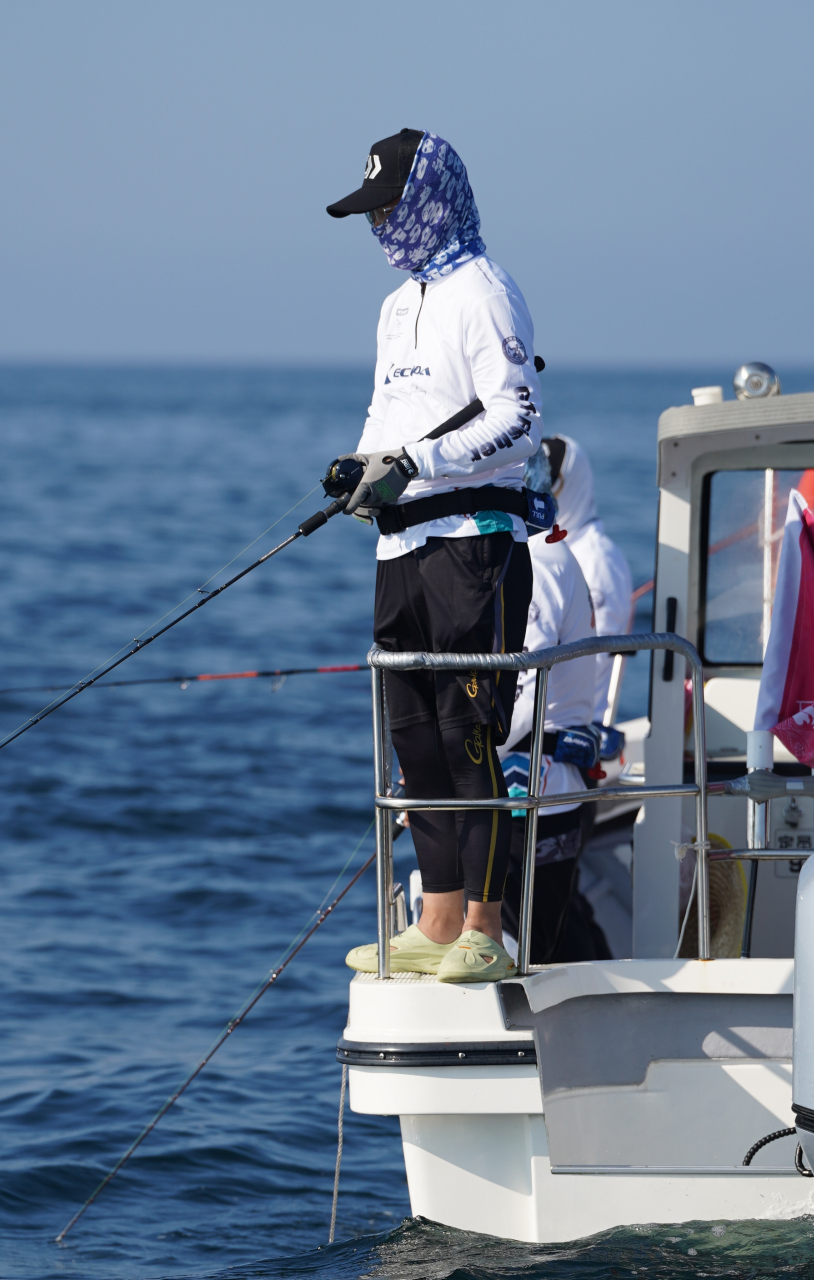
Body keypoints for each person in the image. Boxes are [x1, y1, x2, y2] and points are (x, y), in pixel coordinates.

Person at [327, 128, 542, 983]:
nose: (378, 225)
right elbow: (389, 419)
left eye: (387, 208)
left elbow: (517, 414)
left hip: (473, 548)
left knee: (469, 730)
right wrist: (360, 470)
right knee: (411, 733)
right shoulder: (396, 306)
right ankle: (438, 916)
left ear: (428, 200)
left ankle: (486, 929)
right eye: (370, 213)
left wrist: (421, 463)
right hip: (402, 544)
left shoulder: (485, 291)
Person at [496, 440, 609, 963]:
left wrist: (455, 759)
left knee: (530, 950)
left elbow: (523, 686)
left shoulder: (537, 565)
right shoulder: (554, 553)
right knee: (550, 939)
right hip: (548, 787)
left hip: (531, 792)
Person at [547, 435, 633, 723]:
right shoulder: (558, 550)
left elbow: (590, 668)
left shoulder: (596, 561)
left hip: (569, 729)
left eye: (546, 484)